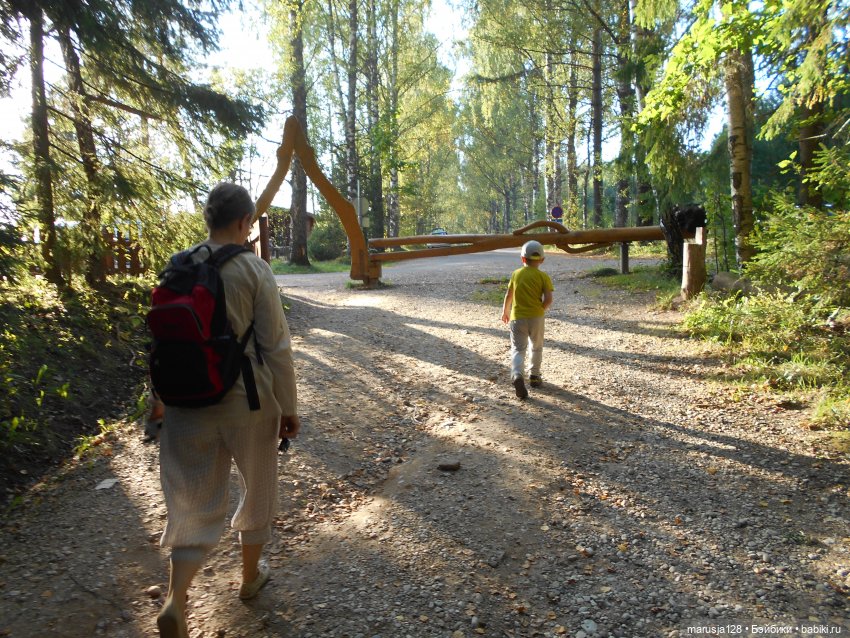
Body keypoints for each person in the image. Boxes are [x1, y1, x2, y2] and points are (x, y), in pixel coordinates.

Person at [156, 182, 300, 638]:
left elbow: (165, 343)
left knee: (190, 504)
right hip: (247, 404)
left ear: (207, 219)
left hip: (184, 404)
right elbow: (276, 348)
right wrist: (290, 408)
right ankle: (250, 579)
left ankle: (176, 601)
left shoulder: (177, 265)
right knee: (257, 490)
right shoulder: (254, 269)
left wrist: (158, 402)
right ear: (244, 223)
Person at [500, 240, 554, 400]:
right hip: (536, 317)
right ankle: (535, 377)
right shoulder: (543, 276)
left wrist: (505, 311)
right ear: (542, 260)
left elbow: (509, 295)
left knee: (518, 348)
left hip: (518, 318)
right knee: (536, 347)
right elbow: (549, 298)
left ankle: (517, 374)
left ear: (522, 259)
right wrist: (541, 309)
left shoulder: (516, 274)